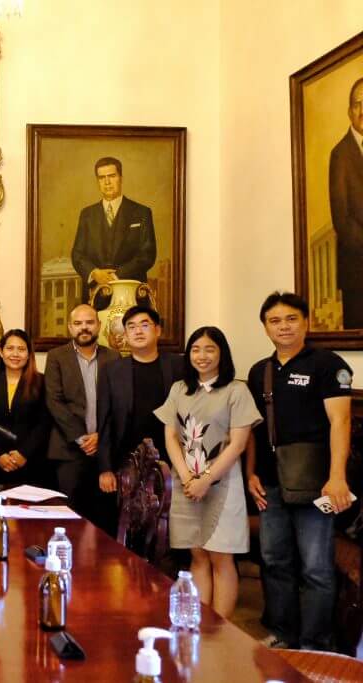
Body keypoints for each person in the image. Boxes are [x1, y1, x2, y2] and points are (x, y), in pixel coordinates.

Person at [246, 291, 353, 651]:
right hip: (270, 481)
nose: (284, 327)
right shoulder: (259, 371)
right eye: (274, 321)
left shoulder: (328, 364)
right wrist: (251, 473)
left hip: (315, 482)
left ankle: (315, 644)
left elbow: (341, 422)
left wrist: (337, 477)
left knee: (315, 567)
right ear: (265, 328)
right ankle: (283, 633)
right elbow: (254, 429)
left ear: (306, 322)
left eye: (291, 319)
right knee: (274, 559)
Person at [153, 327, 261, 619]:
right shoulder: (179, 389)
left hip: (222, 484)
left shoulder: (236, 390)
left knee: (221, 557)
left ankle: (221, 629)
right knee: (198, 555)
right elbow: (170, 437)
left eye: (210, 349)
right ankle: (200, 625)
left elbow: (238, 444)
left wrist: (206, 480)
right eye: (196, 349)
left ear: (222, 354)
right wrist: (188, 478)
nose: (202, 356)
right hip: (186, 483)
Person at [97, 305, 183, 534]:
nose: (138, 331)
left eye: (145, 325)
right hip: (126, 462)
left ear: (158, 330)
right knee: (127, 527)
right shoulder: (111, 370)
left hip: (170, 461)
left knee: (167, 529)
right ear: (125, 334)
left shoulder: (178, 366)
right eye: (131, 327)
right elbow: (104, 421)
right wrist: (105, 468)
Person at [44, 304, 120, 520]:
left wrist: (100, 437)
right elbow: (54, 401)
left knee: (103, 516)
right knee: (70, 516)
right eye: (78, 323)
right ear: (70, 327)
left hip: (104, 452)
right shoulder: (56, 356)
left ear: (99, 325)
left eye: (89, 322)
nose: (84, 327)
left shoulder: (113, 357)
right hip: (68, 451)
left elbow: (118, 405)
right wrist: (81, 437)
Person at [71, 157, 156, 305]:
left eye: (111, 176)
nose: (107, 182)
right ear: (97, 181)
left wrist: (116, 276)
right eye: (102, 177)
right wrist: (94, 273)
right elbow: (77, 254)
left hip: (132, 295)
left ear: (121, 178)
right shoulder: (87, 214)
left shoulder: (142, 212)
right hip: (95, 296)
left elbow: (147, 254)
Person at [0, 329, 52, 487]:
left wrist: (24, 453)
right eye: (10, 348)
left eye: (21, 349)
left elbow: (44, 424)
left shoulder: (41, 382)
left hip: (32, 463)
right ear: (1, 352)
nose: (15, 354)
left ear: (29, 354)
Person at [328, 77, 363, 328]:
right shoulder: (340, 154)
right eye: (357, 104)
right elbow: (342, 219)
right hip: (357, 272)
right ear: (350, 111)